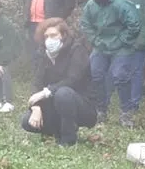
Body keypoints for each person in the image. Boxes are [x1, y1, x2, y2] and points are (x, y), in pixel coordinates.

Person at [21, 18, 97, 146]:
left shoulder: (77, 50)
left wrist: (47, 92)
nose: (49, 40)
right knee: (26, 121)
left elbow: (73, 79)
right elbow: (36, 83)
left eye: (53, 35)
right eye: (46, 36)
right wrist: (36, 107)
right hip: (55, 103)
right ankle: (56, 132)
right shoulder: (43, 54)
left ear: (63, 35)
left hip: (82, 105)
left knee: (63, 94)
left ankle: (68, 140)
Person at [79, 0, 141, 127]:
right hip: (100, 45)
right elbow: (85, 25)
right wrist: (94, 40)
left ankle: (126, 113)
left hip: (121, 47)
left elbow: (134, 25)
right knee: (96, 74)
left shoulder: (121, 5)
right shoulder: (90, 6)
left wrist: (121, 40)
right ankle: (100, 110)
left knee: (120, 76)